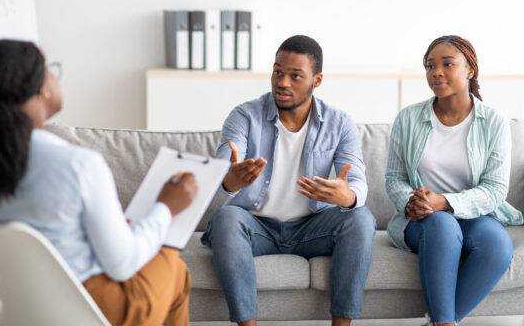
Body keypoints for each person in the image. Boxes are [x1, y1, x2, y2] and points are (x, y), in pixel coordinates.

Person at [0, 39, 197, 326]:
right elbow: (123, 264)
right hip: (94, 306)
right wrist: (167, 207)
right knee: (174, 266)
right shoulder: (76, 164)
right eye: (50, 70)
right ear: (41, 88)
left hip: (32, 306)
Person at [201, 35, 376, 326]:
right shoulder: (245, 115)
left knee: (360, 218)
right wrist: (230, 179)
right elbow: (224, 166)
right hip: (257, 227)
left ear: (316, 80)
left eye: (295, 76)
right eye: (278, 72)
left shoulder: (339, 123)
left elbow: (357, 181)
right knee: (226, 218)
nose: (283, 82)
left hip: (312, 228)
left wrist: (347, 196)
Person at [385, 35, 523, 326]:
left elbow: (496, 188)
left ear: (470, 69)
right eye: (429, 66)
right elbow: (394, 178)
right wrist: (412, 202)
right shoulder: (408, 118)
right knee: (442, 224)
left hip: (475, 214)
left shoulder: (493, 120)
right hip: (421, 219)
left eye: (448, 64)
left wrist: (445, 201)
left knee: (497, 247)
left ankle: (439, 322)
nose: (436, 72)